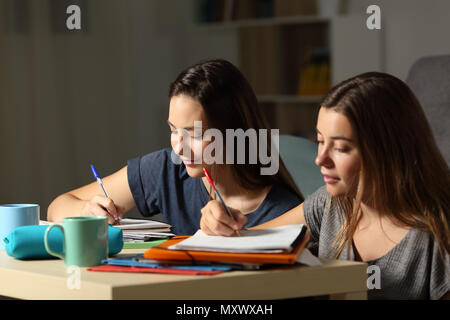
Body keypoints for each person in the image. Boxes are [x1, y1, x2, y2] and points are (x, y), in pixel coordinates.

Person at [200, 72, 450, 300]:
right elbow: (245, 242)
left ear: (388, 151)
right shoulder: (330, 205)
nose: (320, 159)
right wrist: (219, 223)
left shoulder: (439, 234)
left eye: (340, 148)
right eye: (319, 141)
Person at [47, 59, 303, 235]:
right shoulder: (167, 169)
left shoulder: (284, 212)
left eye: (193, 134)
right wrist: (86, 211)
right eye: (173, 130)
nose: (180, 148)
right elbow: (57, 207)